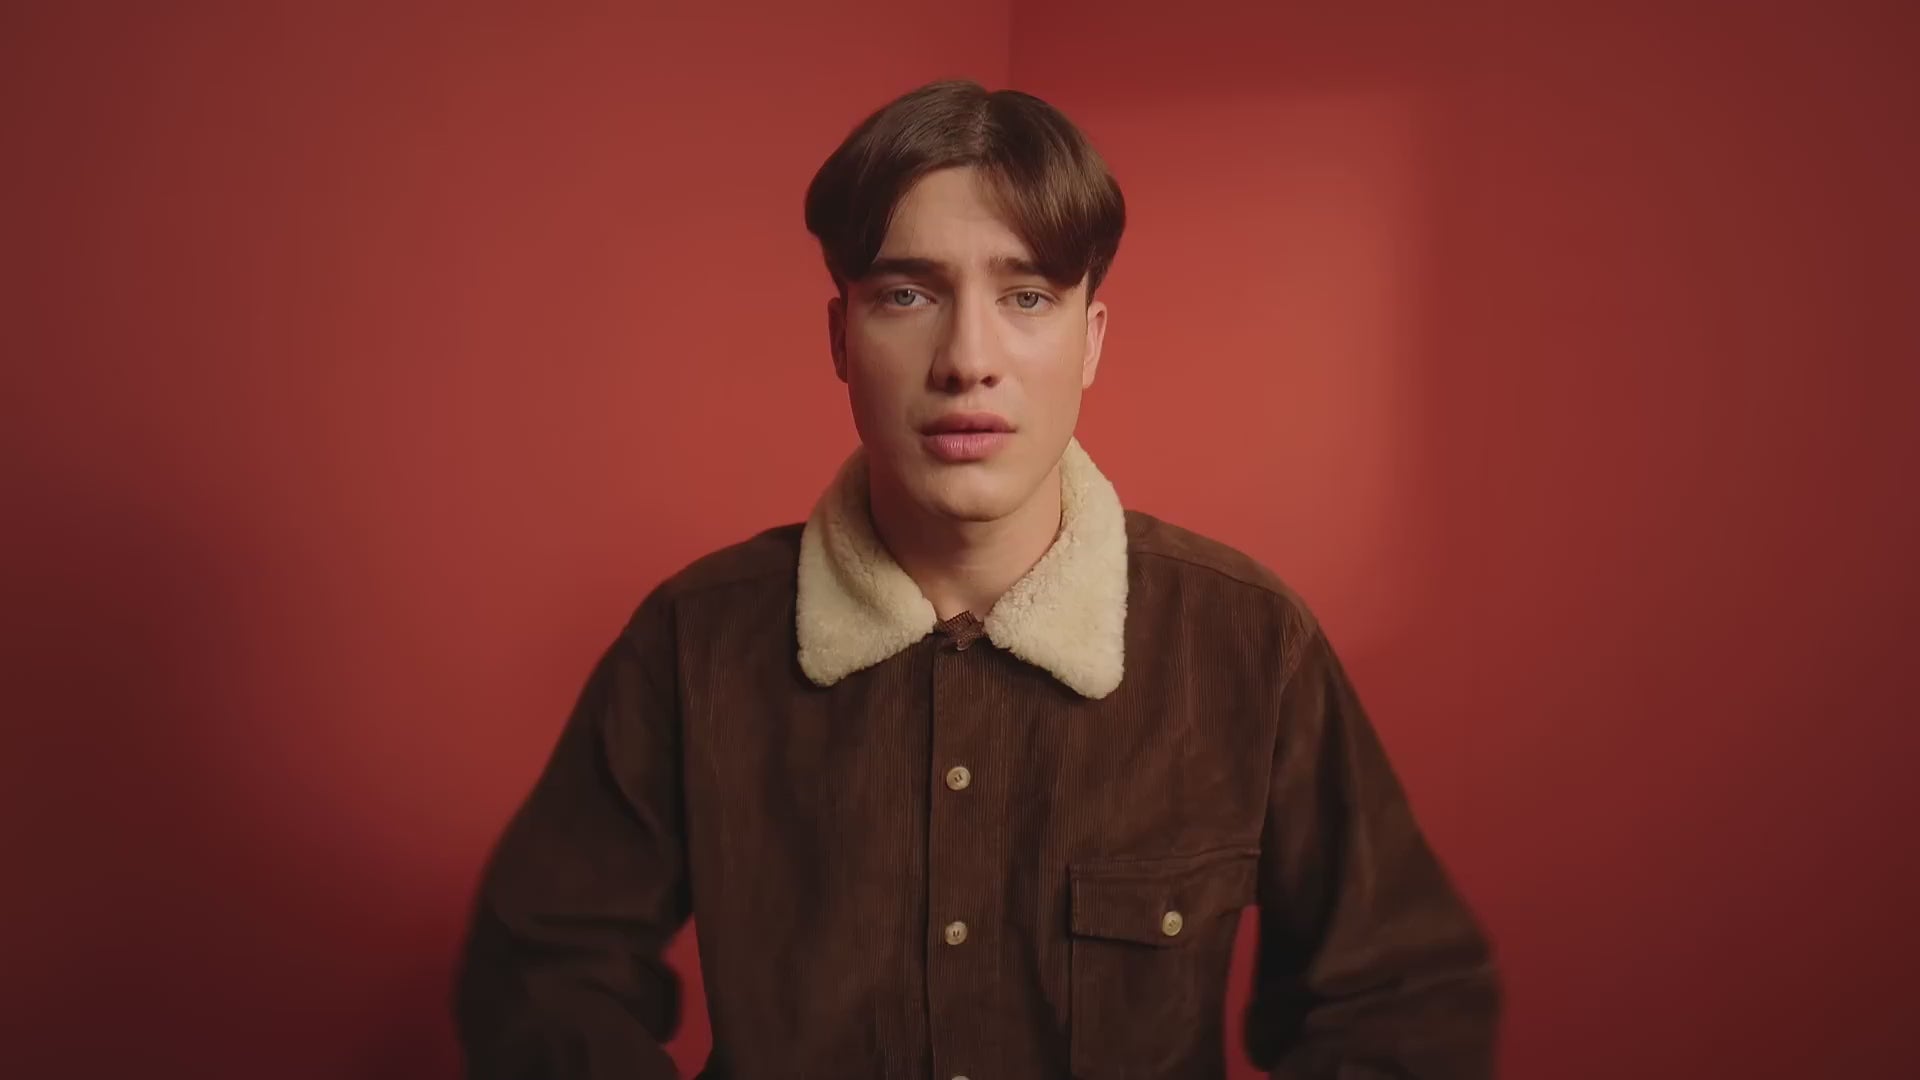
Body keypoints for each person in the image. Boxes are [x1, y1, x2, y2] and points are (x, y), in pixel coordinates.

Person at [454, 79, 1500, 1080]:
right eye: (907, 295)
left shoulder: (1247, 641)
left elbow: (1405, 1001)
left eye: (1027, 296)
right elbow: (540, 977)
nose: (967, 358)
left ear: (1090, 342)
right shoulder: (696, 641)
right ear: (841, 338)